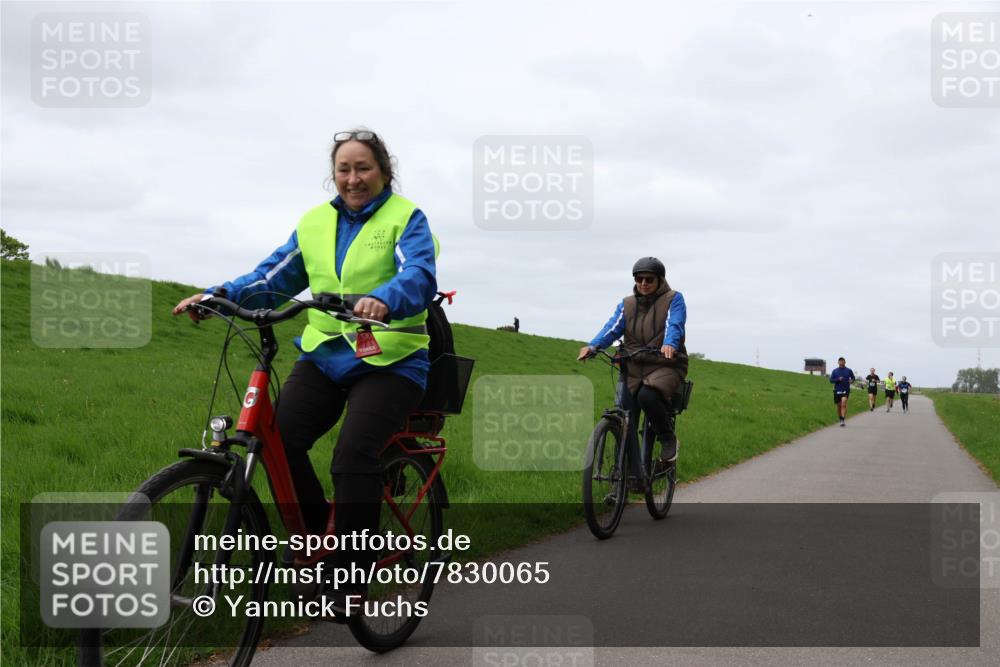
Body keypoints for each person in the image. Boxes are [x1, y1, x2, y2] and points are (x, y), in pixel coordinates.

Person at [172, 128, 436, 616]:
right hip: (325, 353)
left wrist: (385, 299)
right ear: (333, 174)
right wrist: (217, 296)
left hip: (391, 357)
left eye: (363, 168)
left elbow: (418, 272)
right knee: (279, 440)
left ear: (384, 171)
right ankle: (319, 544)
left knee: (352, 454)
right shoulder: (314, 223)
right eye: (344, 169)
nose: (353, 178)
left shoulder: (405, 218)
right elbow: (273, 276)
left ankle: (351, 570)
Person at [577, 257, 688, 465]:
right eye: (639, 279)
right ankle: (631, 474)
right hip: (633, 364)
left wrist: (670, 344)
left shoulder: (674, 299)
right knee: (625, 415)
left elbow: (675, 323)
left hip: (665, 363)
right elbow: (612, 328)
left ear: (660, 280)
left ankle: (668, 439)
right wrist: (593, 346)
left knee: (647, 395)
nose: (643, 284)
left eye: (649, 279)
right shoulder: (627, 304)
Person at [829, 357, 855, 427]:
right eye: (840, 361)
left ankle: (843, 420)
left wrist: (851, 381)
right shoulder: (835, 371)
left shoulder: (849, 370)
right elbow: (831, 380)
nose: (841, 362)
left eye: (842, 361)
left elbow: (853, 378)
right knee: (839, 406)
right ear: (838, 362)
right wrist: (838, 379)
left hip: (846, 389)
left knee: (843, 403)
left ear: (845, 362)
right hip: (837, 390)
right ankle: (840, 419)